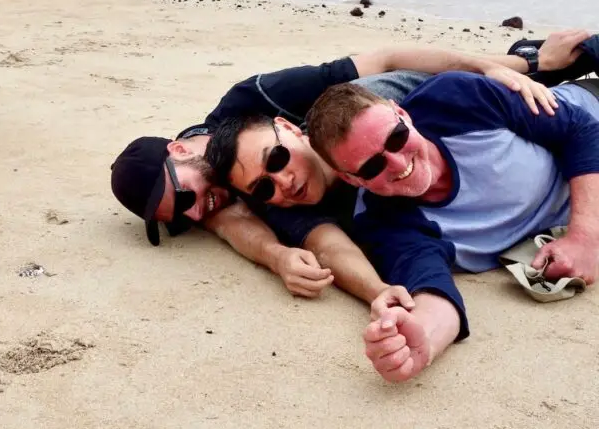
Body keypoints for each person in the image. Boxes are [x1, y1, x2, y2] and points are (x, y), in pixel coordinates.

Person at [110, 29, 597, 306]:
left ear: (179, 150)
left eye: (189, 199)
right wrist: (282, 260)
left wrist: (511, 65)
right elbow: (232, 223)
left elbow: (385, 57)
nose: (197, 214)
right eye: (182, 220)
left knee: (545, 79)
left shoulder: (251, 101)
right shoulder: (251, 195)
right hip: (400, 170)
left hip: (402, 106)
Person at [302, 70, 599, 383]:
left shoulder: (455, 100)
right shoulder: (384, 221)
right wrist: (422, 342)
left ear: (401, 113)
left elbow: (581, 130)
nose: (400, 164)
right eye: (372, 166)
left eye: (397, 137)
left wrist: (585, 235)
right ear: (351, 179)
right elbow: (430, 284)